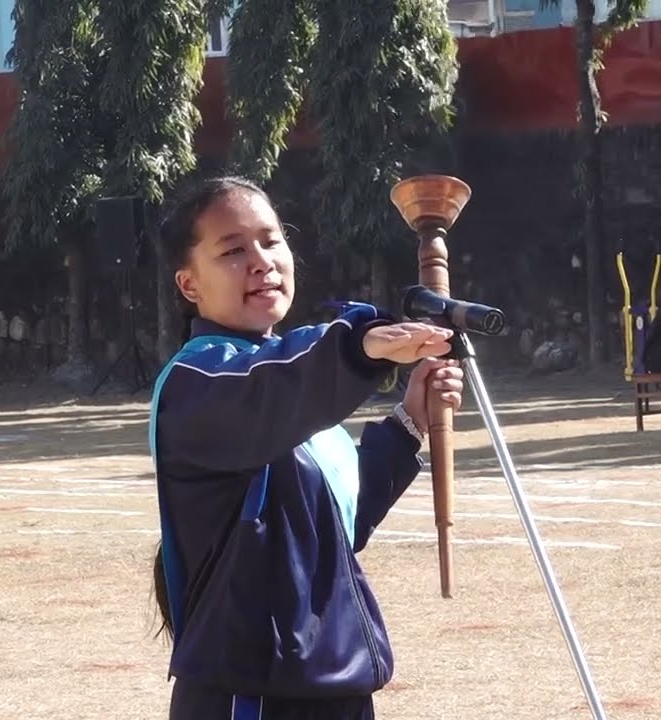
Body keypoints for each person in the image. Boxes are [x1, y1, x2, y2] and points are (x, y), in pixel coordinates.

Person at [148, 175, 465, 720]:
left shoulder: (299, 395)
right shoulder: (199, 382)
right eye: (232, 250)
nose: (261, 261)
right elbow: (271, 389)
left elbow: (343, 525)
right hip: (250, 697)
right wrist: (358, 344)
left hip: (334, 689)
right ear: (189, 284)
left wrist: (410, 416)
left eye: (271, 241)